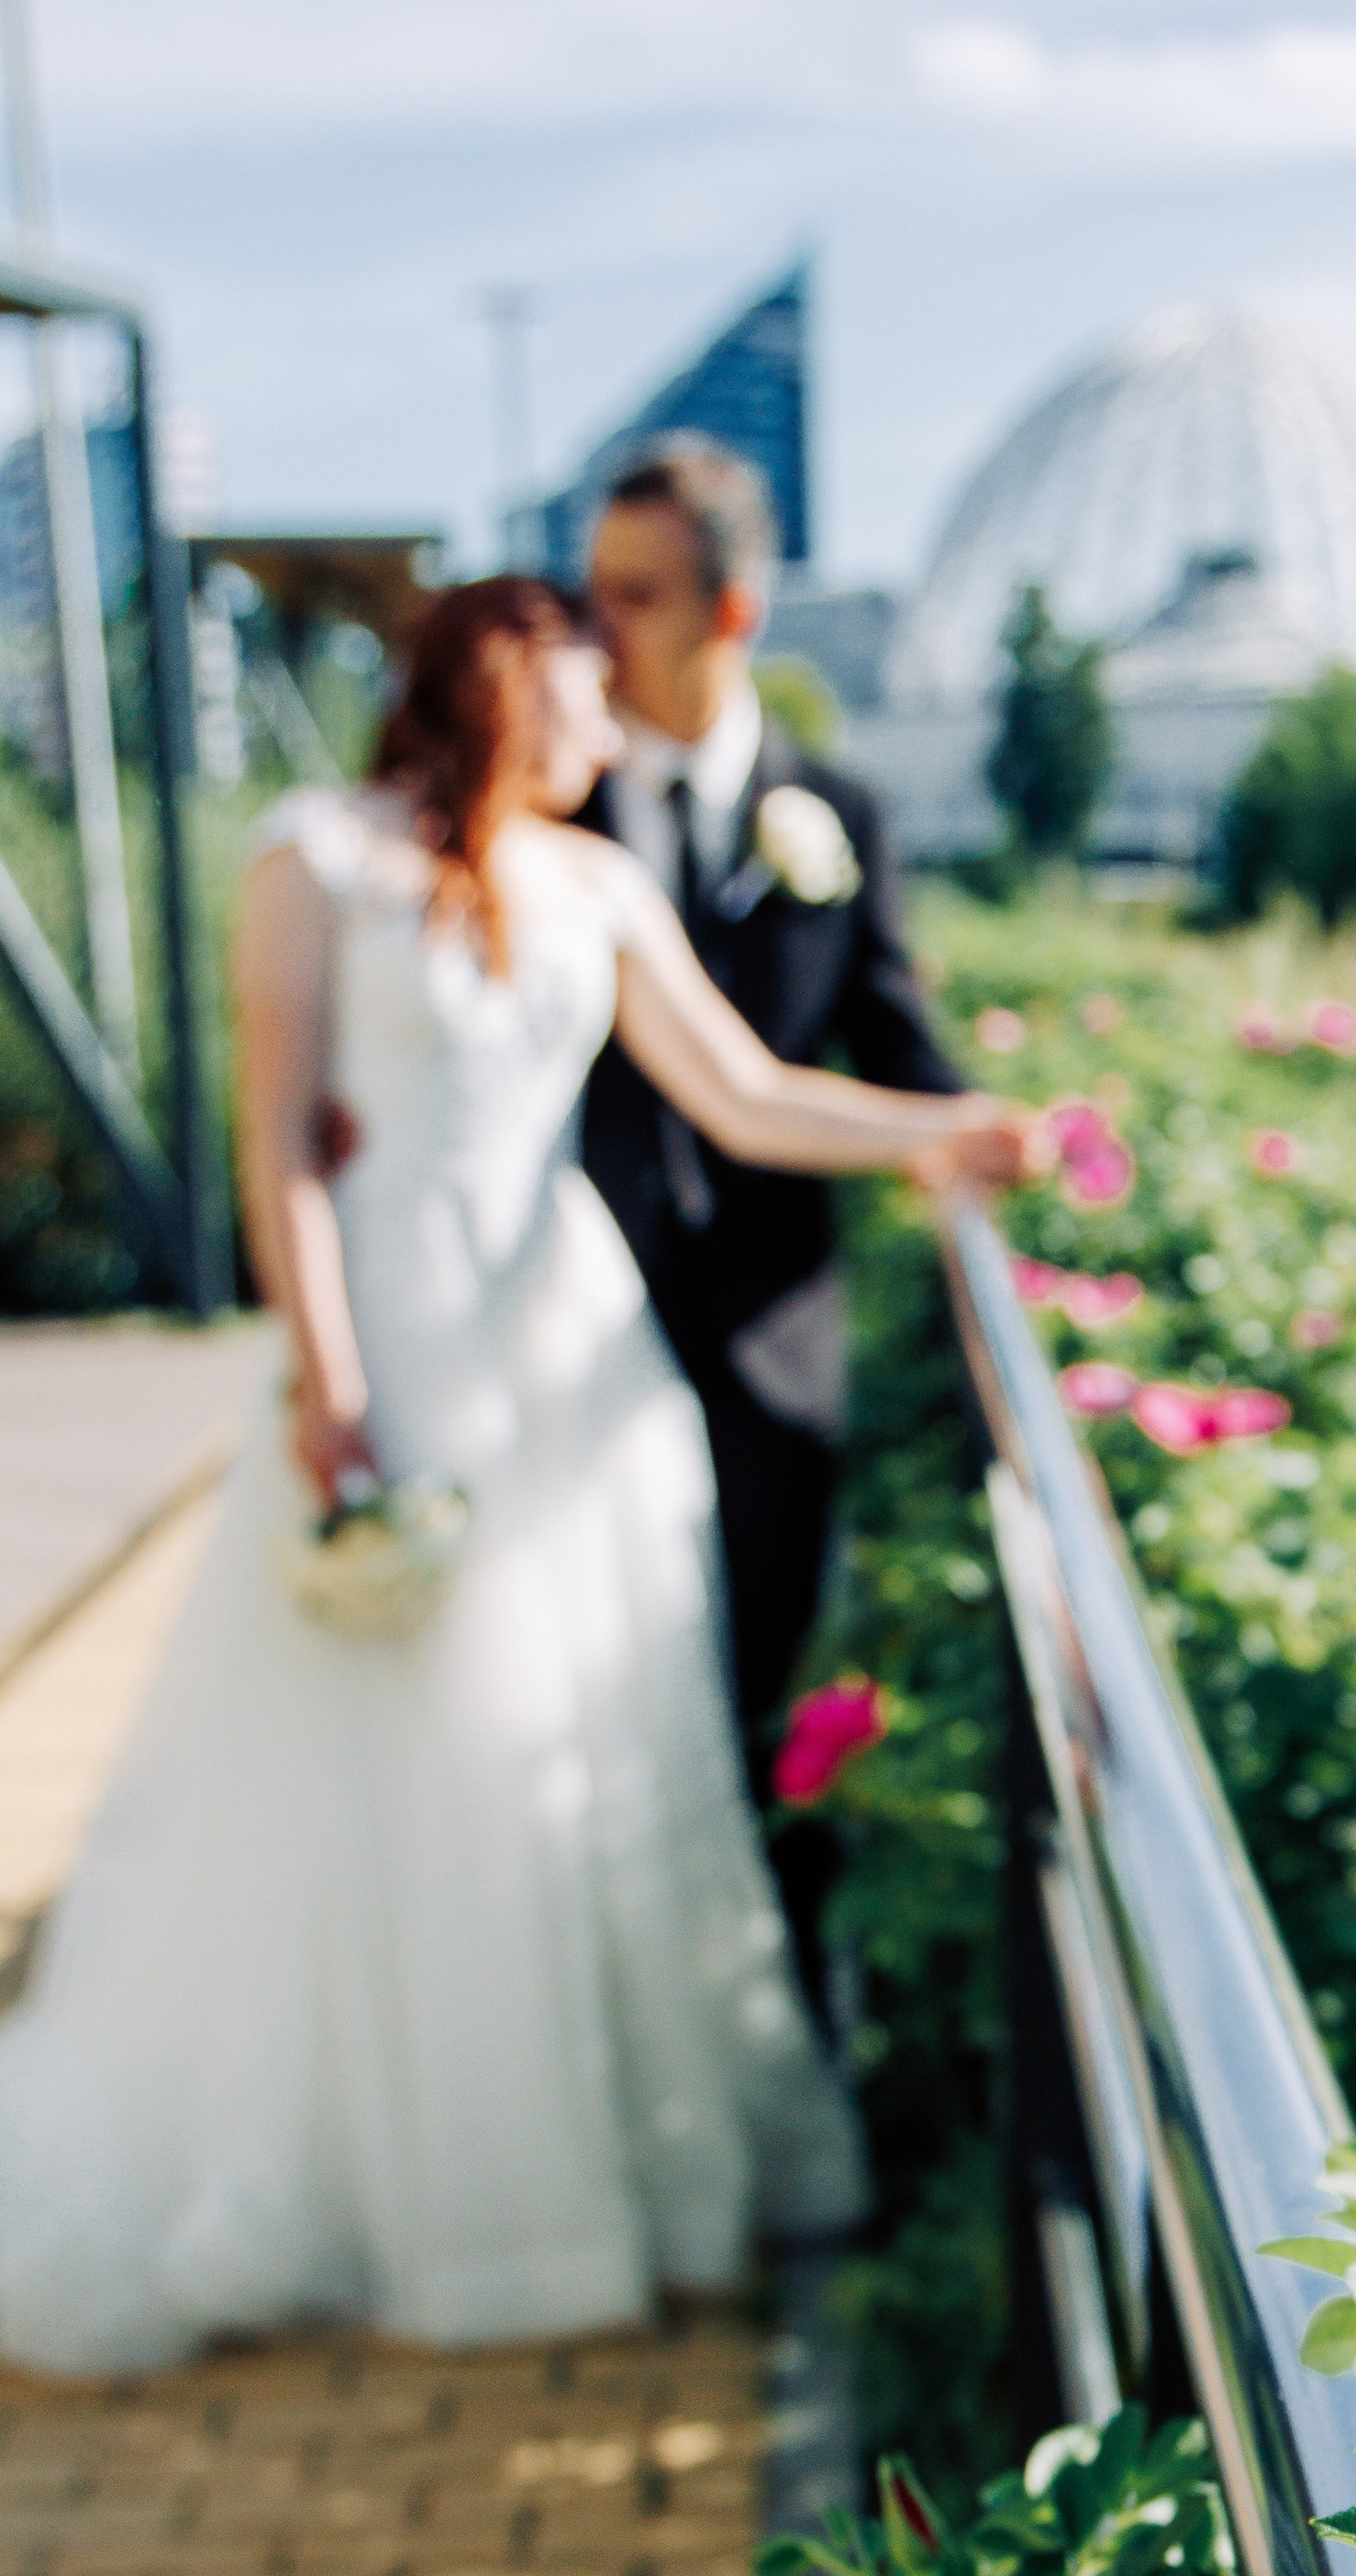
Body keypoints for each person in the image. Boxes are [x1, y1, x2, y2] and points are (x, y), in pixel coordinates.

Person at [0, 575, 1022, 2381]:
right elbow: (285, 1145)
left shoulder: (597, 885)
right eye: (585, 691)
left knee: (576, 1742)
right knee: (394, 1753)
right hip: (391, 1345)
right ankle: (392, 2182)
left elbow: (747, 1093)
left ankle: (588, 2164)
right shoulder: (312, 865)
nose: (614, 731)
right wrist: (331, 1383)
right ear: (503, 674)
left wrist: (944, 1137)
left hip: (565, 1358)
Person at [578, 437, 962, 1835]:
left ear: (730, 612)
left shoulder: (839, 814)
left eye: (632, 596)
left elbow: (899, 1036)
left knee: (764, 1699)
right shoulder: (543, 805)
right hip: (570, 1337)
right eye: (592, 591)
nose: (594, 630)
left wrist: (981, 1147)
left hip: (771, 1341)